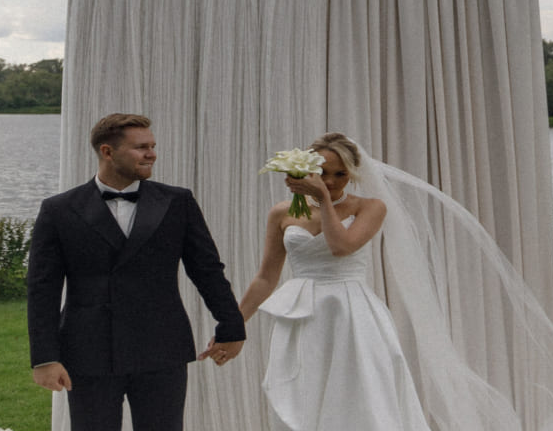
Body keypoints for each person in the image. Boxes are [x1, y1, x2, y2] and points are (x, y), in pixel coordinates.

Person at [26, 113, 246, 431]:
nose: (151, 154)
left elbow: (207, 270)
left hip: (162, 346)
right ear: (107, 151)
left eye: (152, 146)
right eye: (141, 147)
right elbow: (42, 289)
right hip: (89, 350)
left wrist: (232, 327)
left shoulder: (177, 202)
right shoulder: (59, 209)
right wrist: (45, 357)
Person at [238, 133, 432, 430]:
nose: (329, 181)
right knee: (304, 395)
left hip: (351, 313)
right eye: (322, 172)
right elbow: (266, 277)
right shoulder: (281, 213)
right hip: (302, 316)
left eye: (340, 174)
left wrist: (324, 200)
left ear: (352, 173)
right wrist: (234, 325)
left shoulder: (370, 207)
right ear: (305, 170)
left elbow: (341, 247)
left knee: (359, 395)